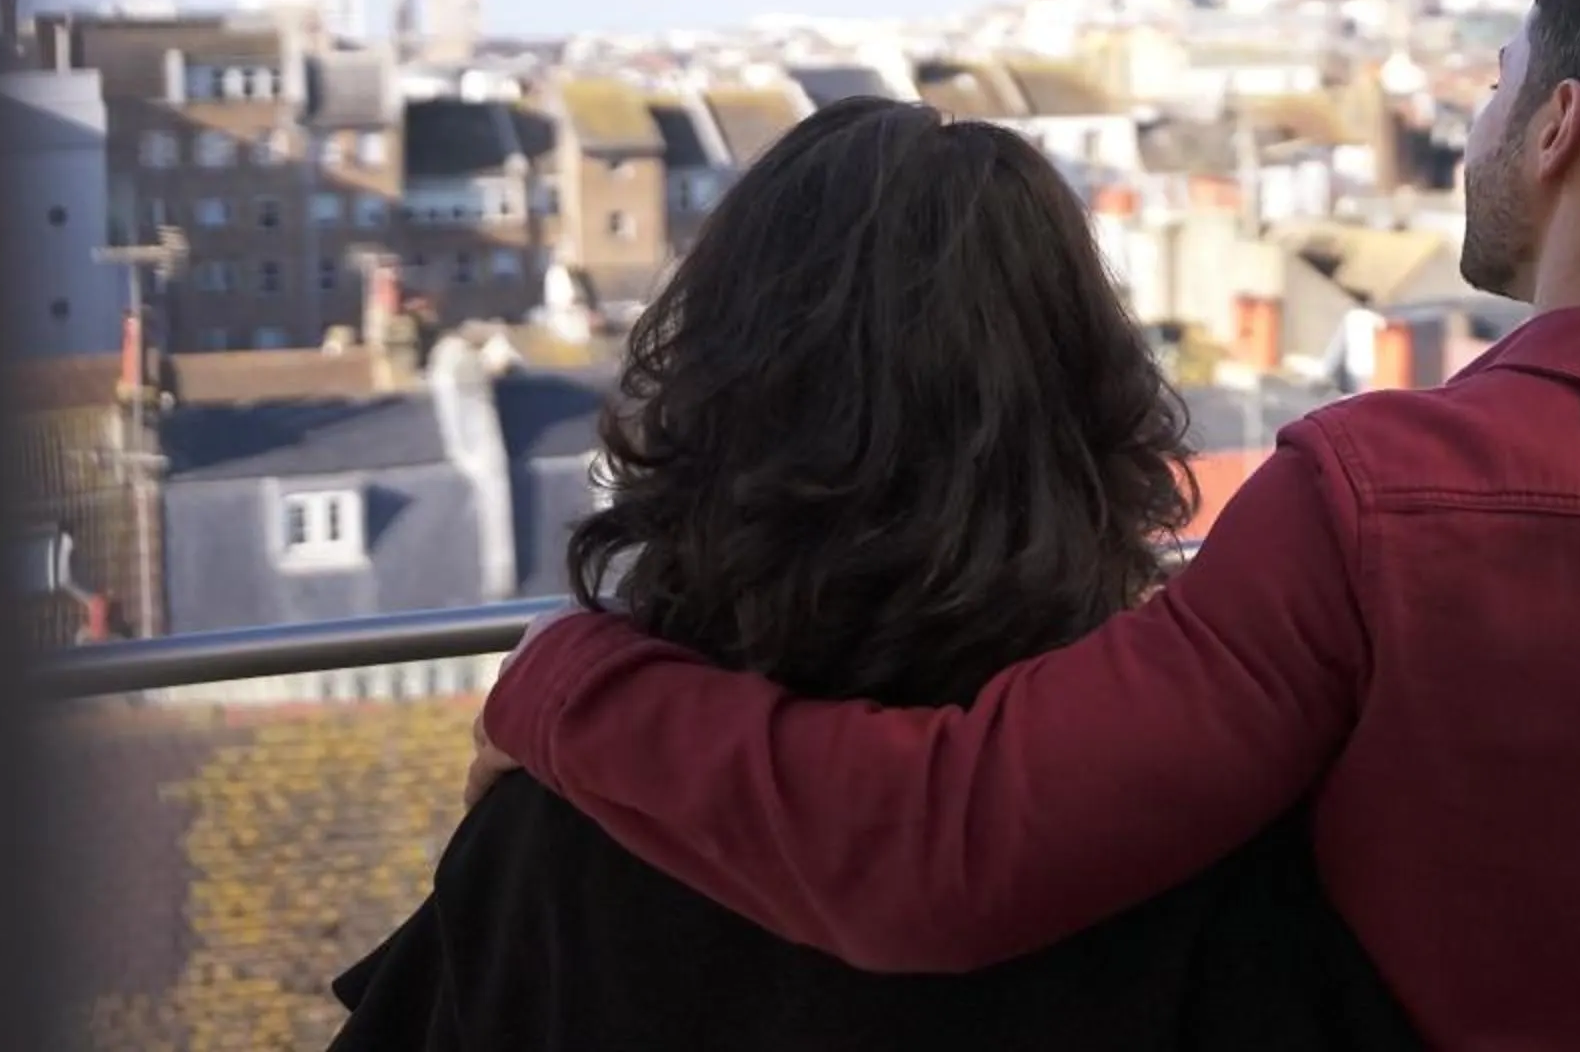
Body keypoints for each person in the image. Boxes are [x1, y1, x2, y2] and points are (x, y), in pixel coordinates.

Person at [468, 0, 1580, 1050]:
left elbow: (950, 854)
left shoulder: (1380, 505)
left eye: (1494, 82)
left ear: (1559, 128)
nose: (1477, 120)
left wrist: (568, 689)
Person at [333, 101, 1414, 1051]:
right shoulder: (1200, 834)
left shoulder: (558, 842)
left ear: (715, 403)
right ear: (1086, 415)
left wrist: (565, 684)